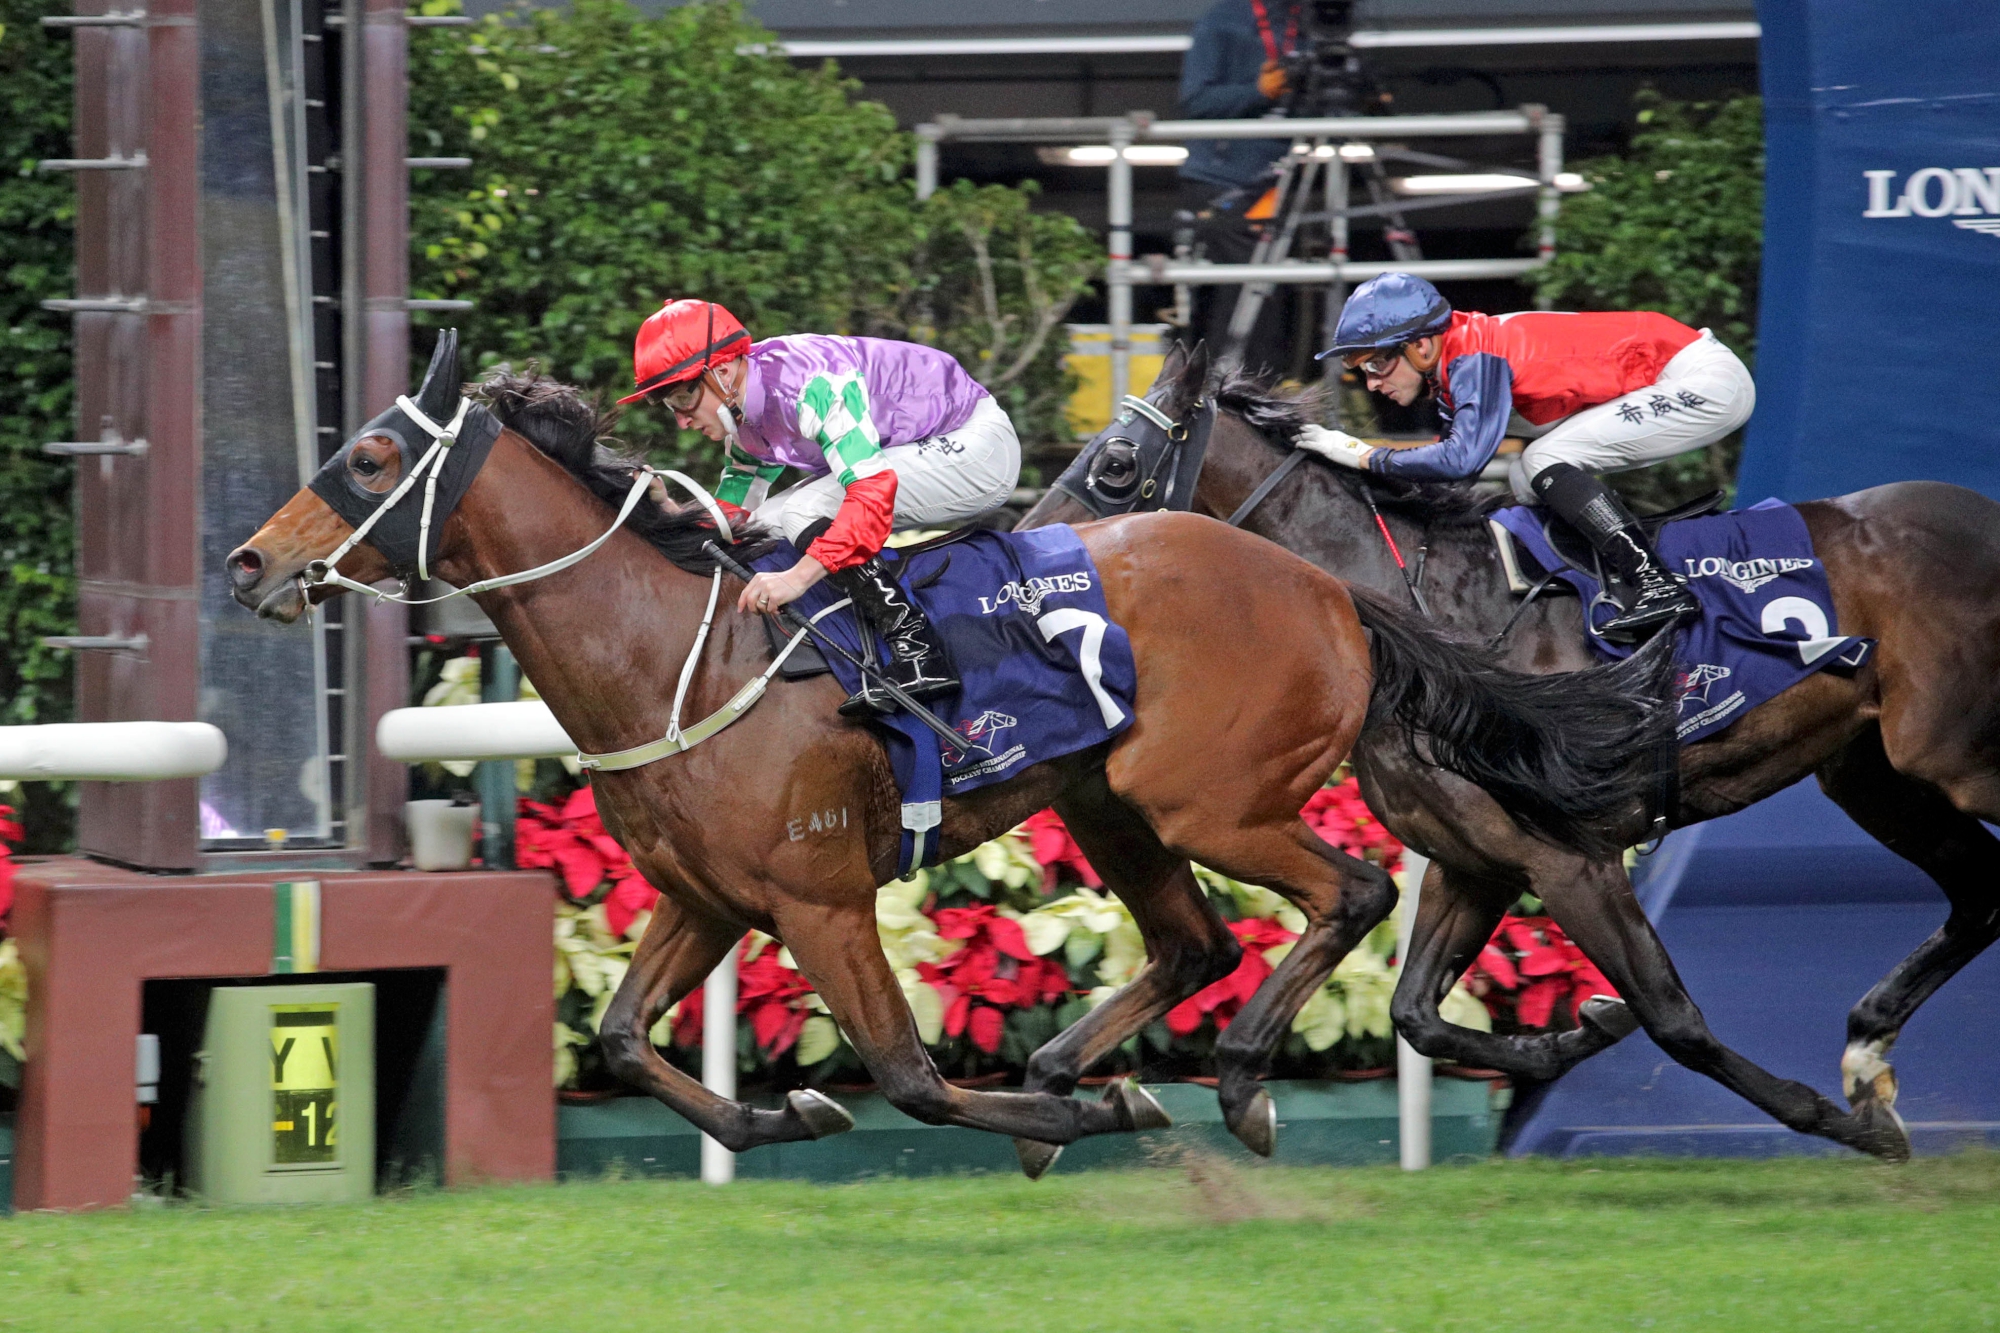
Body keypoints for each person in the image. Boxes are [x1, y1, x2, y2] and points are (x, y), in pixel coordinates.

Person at [1297, 272, 1756, 642]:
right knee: (1524, 475)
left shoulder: (1473, 356)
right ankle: (1592, 587)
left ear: (1420, 346)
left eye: (1376, 363)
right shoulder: (1456, 362)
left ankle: (1656, 583)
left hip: (1702, 380)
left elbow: (1459, 463)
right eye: (1360, 370)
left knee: (1542, 460)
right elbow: (1445, 474)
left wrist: (1360, 455)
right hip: (1677, 374)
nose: (1372, 383)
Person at [619, 299, 1021, 716]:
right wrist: (669, 512)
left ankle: (918, 650)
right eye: (669, 405)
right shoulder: (740, 415)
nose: (682, 419)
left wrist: (797, 579)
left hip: (977, 448)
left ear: (721, 372)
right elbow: (735, 517)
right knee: (766, 525)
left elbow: (871, 493)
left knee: (806, 508)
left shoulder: (810, 383)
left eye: (684, 396)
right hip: (914, 450)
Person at [1174, 0, 1306, 373]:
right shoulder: (1223, 19)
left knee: (1273, 289)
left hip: (1281, 179)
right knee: (1248, 289)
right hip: (1222, 179)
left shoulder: (1313, 25)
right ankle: (1237, 395)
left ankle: (1252, 391)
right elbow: (1194, 99)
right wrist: (1259, 90)